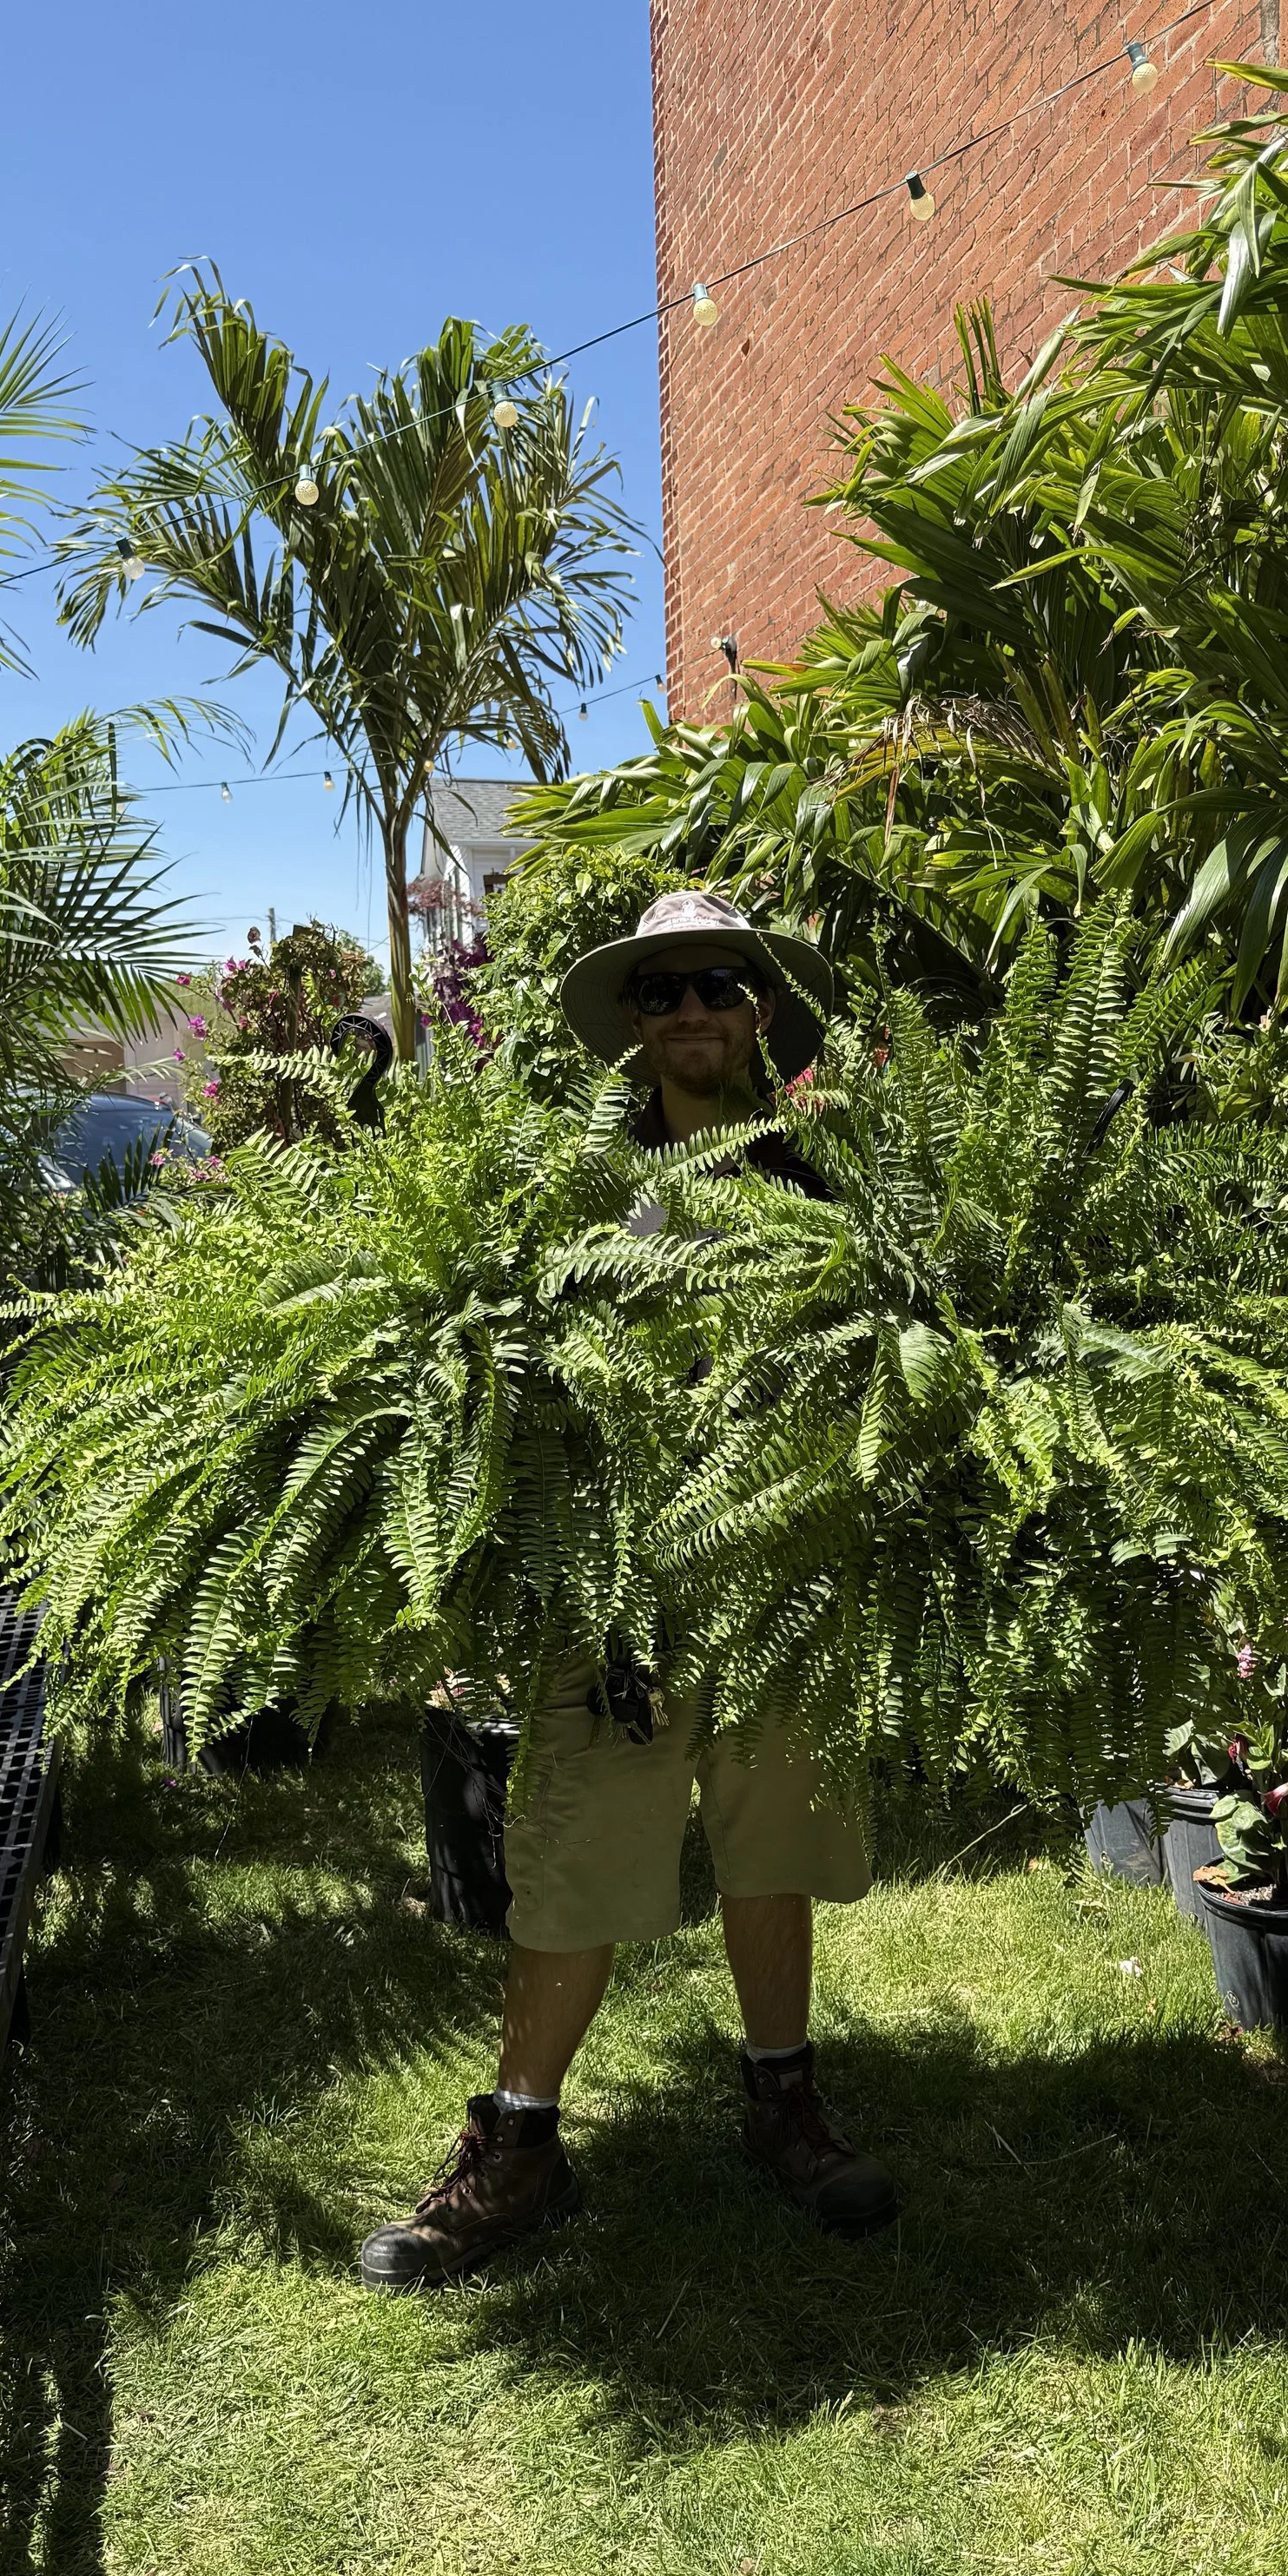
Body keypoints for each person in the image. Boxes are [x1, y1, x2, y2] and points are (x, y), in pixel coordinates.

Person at [360, 892, 895, 2289]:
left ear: (761, 1008)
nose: (695, 1011)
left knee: (775, 1844)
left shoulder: (820, 1171)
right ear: (636, 1024)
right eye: (664, 994)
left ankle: (785, 2103)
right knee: (573, 1859)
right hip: (617, 1593)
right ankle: (520, 2145)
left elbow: (891, 1353)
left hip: (778, 1577)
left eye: (720, 984)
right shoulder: (584, 1181)